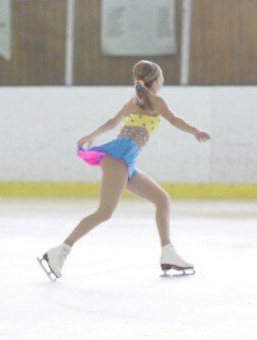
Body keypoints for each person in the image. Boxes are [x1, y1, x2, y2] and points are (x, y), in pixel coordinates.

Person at [37, 60, 211, 280]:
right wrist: (195, 131)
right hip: (117, 158)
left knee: (162, 200)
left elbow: (112, 123)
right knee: (104, 213)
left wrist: (92, 136)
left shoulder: (135, 102)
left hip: (125, 161)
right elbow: (174, 120)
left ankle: (168, 253)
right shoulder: (156, 102)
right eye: (162, 77)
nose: (163, 81)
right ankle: (59, 252)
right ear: (156, 80)